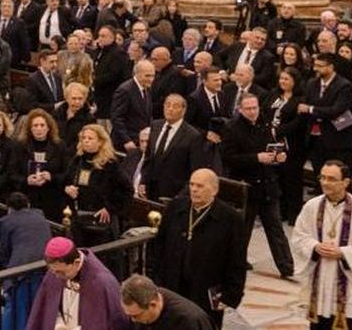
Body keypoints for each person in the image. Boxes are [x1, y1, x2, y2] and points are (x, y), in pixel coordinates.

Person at [289, 160, 352, 330]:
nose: (325, 183)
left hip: (350, 285)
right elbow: (299, 236)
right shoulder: (311, 206)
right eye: (322, 177)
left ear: (345, 182)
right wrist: (314, 246)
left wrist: (343, 253)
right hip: (321, 279)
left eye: (332, 179)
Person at [150, 169, 248, 327]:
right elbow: (158, 245)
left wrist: (230, 296)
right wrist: (155, 278)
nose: (194, 189)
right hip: (173, 285)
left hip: (207, 290)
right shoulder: (176, 207)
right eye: (192, 184)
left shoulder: (230, 219)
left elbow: (237, 261)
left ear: (214, 190)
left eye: (200, 186)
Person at [220, 93, 296, 278]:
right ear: (240, 109)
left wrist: (278, 156)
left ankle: (286, 266)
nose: (252, 112)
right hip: (246, 186)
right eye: (248, 109)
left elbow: (272, 145)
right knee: (243, 230)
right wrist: (256, 158)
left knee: (275, 227)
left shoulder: (265, 123)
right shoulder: (231, 128)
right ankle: (237, 262)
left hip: (268, 184)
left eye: (255, 108)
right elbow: (228, 157)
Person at [26, 236, 131, 330]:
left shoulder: (101, 281)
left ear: (76, 262)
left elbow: (109, 321)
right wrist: (58, 324)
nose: (56, 276)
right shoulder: (54, 273)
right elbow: (47, 312)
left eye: (61, 272)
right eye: (53, 271)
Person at [65, 124, 131, 248]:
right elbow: (66, 181)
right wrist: (68, 189)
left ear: (100, 142)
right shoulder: (78, 160)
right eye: (84, 138)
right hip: (79, 216)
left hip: (101, 219)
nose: (86, 141)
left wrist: (110, 208)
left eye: (90, 138)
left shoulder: (110, 164)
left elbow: (127, 190)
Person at [0, 192, 53, 330]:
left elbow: (4, 250)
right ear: (28, 205)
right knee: (36, 306)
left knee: (15, 307)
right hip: (44, 265)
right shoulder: (40, 215)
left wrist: (5, 266)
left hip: (20, 270)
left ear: (9, 208)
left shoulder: (7, 221)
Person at [141, 94, 207, 201]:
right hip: (150, 188)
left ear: (183, 110)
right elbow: (148, 157)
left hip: (174, 192)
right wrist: (143, 181)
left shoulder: (193, 136)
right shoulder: (155, 125)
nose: (170, 109)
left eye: (175, 106)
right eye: (167, 105)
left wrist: (181, 196)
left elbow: (195, 170)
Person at [119, 274, 216, 330]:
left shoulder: (189, 322)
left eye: (136, 316)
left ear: (153, 304)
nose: (133, 320)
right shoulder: (144, 308)